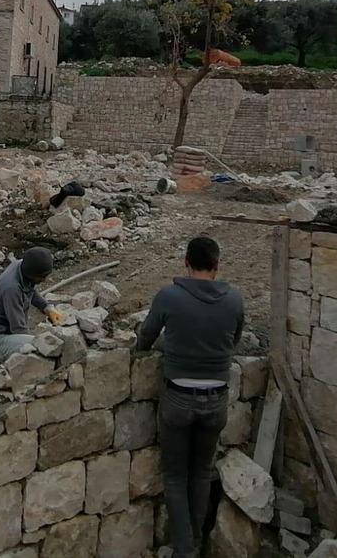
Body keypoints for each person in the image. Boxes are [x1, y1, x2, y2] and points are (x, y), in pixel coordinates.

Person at [135, 236, 245, 558]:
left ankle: (184, 549)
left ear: (186, 263)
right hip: (217, 398)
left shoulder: (169, 296)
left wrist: (143, 349)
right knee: (201, 472)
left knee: (175, 476)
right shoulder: (234, 299)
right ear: (216, 266)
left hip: (178, 399)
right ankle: (196, 541)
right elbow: (234, 341)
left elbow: (146, 336)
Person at [0, 246, 63, 363]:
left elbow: (30, 290)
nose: (44, 280)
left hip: (11, 334)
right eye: (42, 277)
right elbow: (18, 329)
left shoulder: (23, 265)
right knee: (38, 348)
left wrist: (46, 307)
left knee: (40, 345)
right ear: (32, 275)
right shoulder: (11, 289)